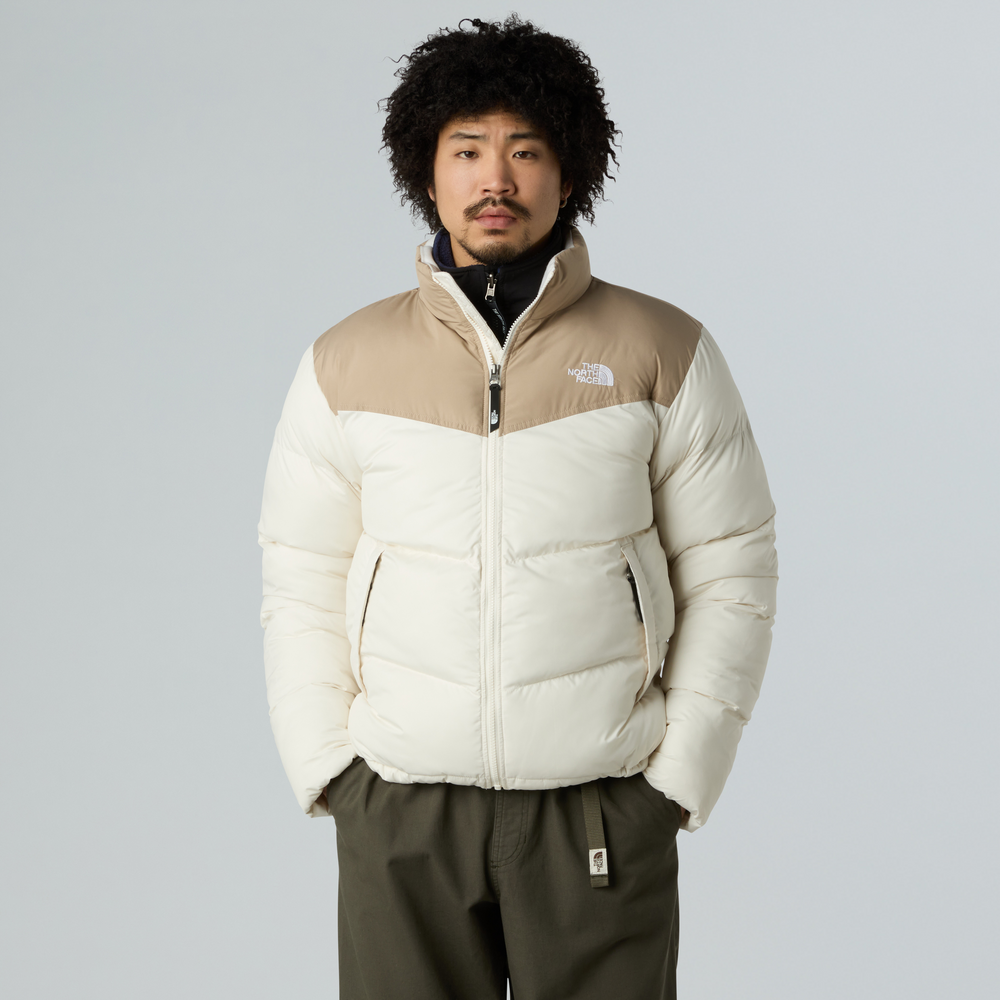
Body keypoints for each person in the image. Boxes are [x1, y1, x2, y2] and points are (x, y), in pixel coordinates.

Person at [259, 15, 777, 1000]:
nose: (494, 178)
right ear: (427, 172)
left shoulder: (661, 350)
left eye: (525, 151)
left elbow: (733, 568)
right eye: (466, 150)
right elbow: (300, 576)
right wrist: (333, 770)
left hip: (597, 807)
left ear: (568, 171)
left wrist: (673, 780)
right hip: (403, 807)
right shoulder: (345, 362)